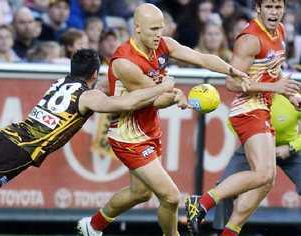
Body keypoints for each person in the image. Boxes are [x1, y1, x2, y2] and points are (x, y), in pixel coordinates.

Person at [77, 3, 249, 236]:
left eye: (161, 28)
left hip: (149, 129)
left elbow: (200, 57)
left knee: (140, 193)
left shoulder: (163, 44)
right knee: (171, 196)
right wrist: (173, 96)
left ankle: (92, 226)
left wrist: (231, 70)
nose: (159, 34)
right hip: (128, 135)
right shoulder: (124, 62)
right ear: (137, 28)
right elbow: (152, 99)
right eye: (153, 29)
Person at [0, 48, 176, 193]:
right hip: (20, 149)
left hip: (4, 135)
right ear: (95, 73)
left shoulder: (61, 82)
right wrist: (162, 87)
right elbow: (127, 104)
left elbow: (102, 88)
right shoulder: (87, 97)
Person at [185, 0, 301, 235]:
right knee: (262, 173)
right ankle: (203, 203)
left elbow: (272, 70)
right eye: (268, 6)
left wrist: (289, 95)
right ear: (258, 8)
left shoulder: (279, 31)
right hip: (247, 108)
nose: (274, 12)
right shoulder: (249, 39)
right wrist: (275, 88)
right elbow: (232, 81)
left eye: (278, 7)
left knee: (267, 179)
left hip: (262, 106)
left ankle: (230, 231)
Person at [212, 94, 301, 233]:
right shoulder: (250, 99)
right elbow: (232, 123)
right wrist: (253, 142)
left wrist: (292, 147)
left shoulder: (292, 98)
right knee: (224, 187)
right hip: (256, 147)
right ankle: (221, 231)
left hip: (287, 149)